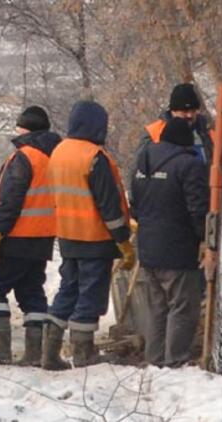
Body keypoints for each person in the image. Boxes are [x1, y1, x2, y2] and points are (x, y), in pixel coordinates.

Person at [42, 100, 135, 370]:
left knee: (67, 291)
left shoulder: (59, 152)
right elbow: (110, 206)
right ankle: (84, 353)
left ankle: (49, 353)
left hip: (67, 237)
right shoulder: (95, 157)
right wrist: (123, 240)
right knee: (90, 295)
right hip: (94, 239)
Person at [0, 106, 61, 365]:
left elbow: (9, 201)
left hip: (13, 239)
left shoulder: (24, 157)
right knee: (32, 293)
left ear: (23, 129)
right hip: (42, 240)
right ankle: (35, 355)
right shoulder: (56, 158)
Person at [130, 117, 210, 368]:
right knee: (183, 306)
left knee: (158, 307)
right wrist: (205, 239)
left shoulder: (142, 162)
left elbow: (135, 206)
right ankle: (175, 361)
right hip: (178, 247)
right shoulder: (189, 165)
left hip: (148, 246)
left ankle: (154, 360)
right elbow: (198, 209)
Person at [138, 82, 213, 165]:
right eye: (184, 111)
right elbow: (139, 168)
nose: (190, 115)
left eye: (193, 111)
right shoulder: (154, 133)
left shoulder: (206, 130)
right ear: (173, 111)